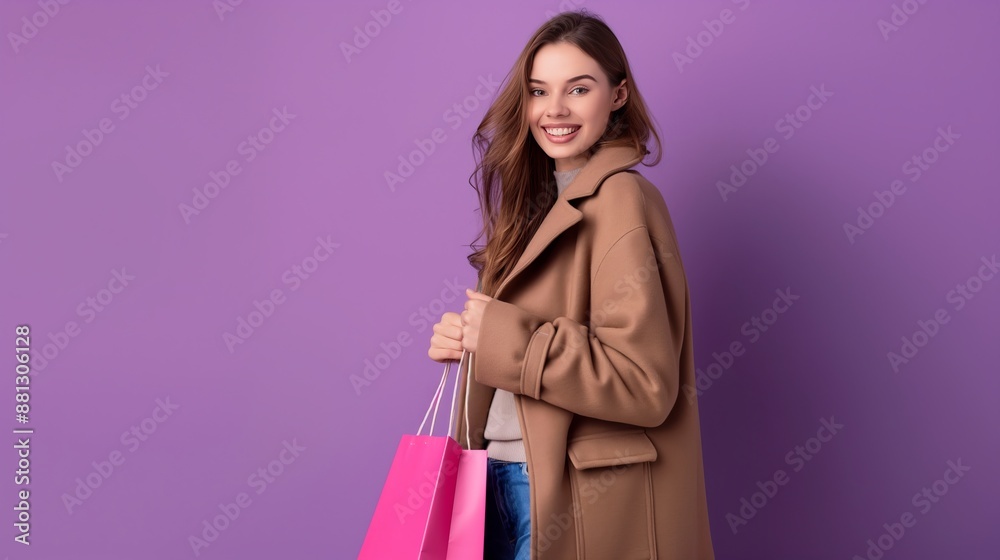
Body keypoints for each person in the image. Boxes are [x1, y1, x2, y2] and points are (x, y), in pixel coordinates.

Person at [428, 9, 715, 560]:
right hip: (489, 477)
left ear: (618, 95)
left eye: (578, 88)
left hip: (562, 491)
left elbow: (644, 382)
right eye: (539, 91)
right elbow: (517, 348)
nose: (553, 110)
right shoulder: (533, 205)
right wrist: (467, 342)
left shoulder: (622, 200)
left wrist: (504, 337)